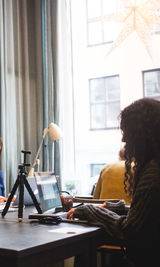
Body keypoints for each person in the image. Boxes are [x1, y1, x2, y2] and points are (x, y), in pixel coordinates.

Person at [67, 98, 160, 266]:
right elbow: (146, 215)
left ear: (141, 135)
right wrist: (115, 208)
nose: (124, 139)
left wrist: (91, 210)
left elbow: (129, 230)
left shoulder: (153, 174)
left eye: (127, 132)